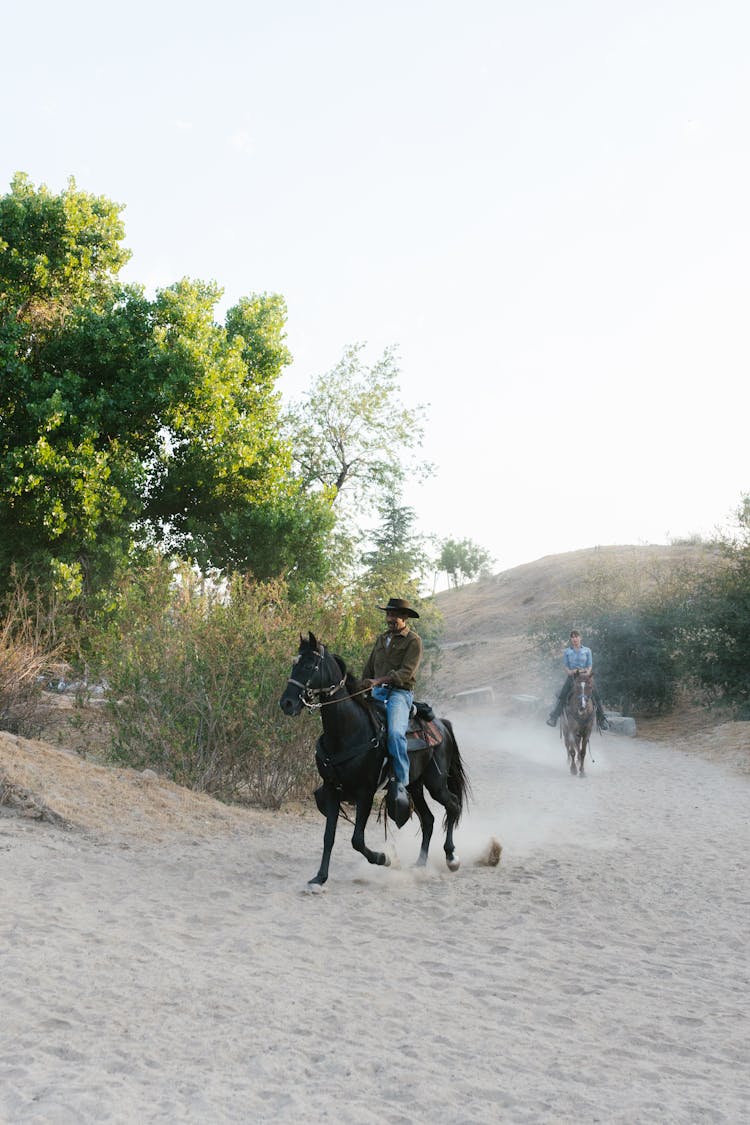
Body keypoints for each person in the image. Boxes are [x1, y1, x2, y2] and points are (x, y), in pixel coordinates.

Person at [362, 596, 423, 805]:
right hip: (377, 693)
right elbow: (370, 667)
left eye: (395, 615)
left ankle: (402, 783)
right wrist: (361, 685)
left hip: (399, 693)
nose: (390, 618)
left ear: (405, 617)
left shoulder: (413, 640)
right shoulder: (381, 639)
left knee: (396, 734)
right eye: (388, 614)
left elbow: (406, 672)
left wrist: (378, 680)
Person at [546, 629, 609, 729]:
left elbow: (589, 665)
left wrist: (586, 673)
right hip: (573, 677)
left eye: (576, 636)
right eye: (572, 637)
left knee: (596, 694)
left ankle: (602, 719)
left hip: (585, 676)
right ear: (571, 639)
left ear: (580, 638)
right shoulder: (567, 651)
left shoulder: (587, 650)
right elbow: (566, 666)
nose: (575, 638)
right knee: (563, 694)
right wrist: (571, 672)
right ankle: (554, 717)